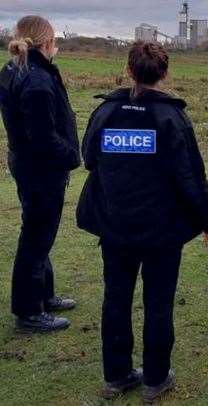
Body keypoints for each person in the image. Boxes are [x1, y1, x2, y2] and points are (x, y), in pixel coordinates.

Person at [76, 41, 208, 402]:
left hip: (116, 228)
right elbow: (191, 177)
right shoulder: (171, 118)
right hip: (161, 233)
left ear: (129, 70)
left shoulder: (106, 113)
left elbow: (89, 158)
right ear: (165, 73)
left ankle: (116, 376)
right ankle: (154, 379)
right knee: (158, 302)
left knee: (116, 298)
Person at [0, 15, 80, 333]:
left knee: (39, 234)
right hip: (40, 170)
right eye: (55, 40)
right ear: (47, 42)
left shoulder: (16, 69)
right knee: (36, 237)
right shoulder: (35, 79)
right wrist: (71, 156)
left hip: (27, 164)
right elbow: (43, 137)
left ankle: (43, 295)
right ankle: (29, 312)